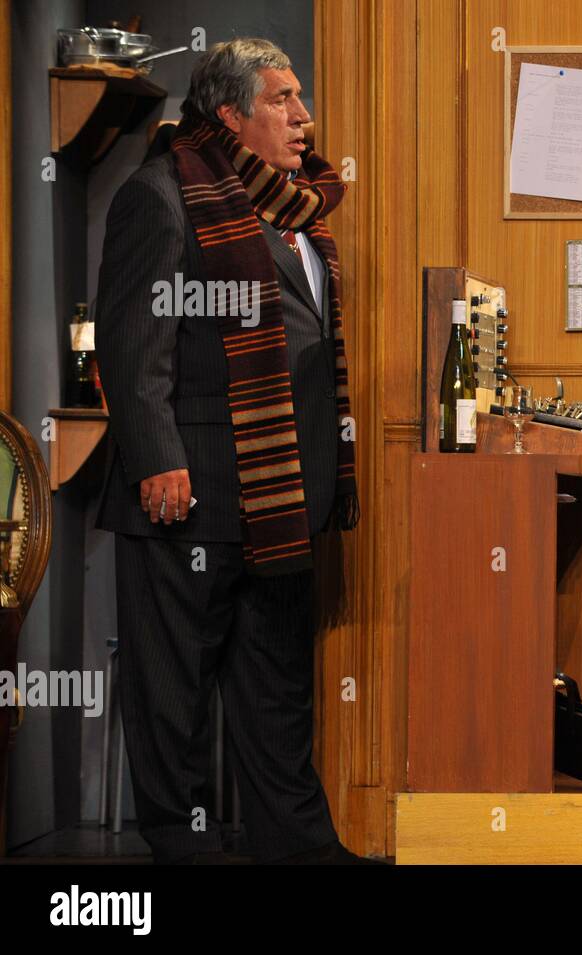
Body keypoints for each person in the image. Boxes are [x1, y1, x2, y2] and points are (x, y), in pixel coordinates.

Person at [94, 38, 375, 863]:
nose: (304, 116)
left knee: (276, 693)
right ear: (230, 114)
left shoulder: (296, 212)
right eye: (283, 100)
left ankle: (302, 849)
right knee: (174, 697)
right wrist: (155, 457)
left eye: (301, 98)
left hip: (282, 497)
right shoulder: (163, 197)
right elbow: (129, 342)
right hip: (191, 492)